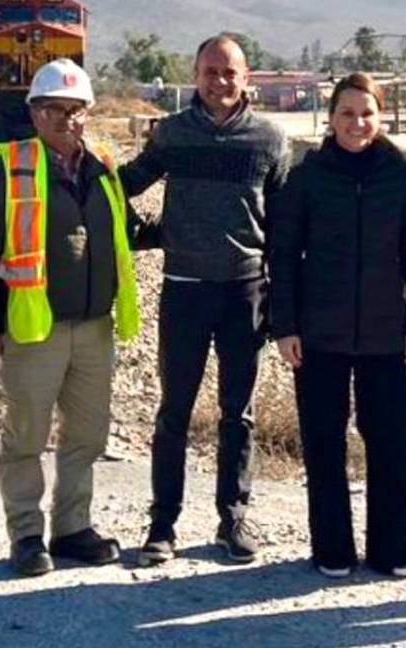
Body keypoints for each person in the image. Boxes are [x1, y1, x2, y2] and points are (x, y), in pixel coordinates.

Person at [0, 59, 150, 577]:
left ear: (88, 112)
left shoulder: (103, 166)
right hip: (33, 326)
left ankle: (71, 528)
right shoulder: (8, 168)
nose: (66, 119)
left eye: (75, 109)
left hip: (94, 326)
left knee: (87, 435)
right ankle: (26, 535)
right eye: (53, 109)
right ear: (34, 112)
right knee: (26, 435)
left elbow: (128, 231)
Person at [120, 35, 289, 565]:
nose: (219, 82)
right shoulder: (171, 135)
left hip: (245, 292)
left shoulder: (270, 140)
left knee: (237, 413)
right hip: (185, 292)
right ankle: (162, 525)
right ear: (195, 75)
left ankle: (232, 519)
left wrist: (283, 299)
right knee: (174, 411)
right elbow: (123, 185)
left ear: (247, 78)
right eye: (210, 72)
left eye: (229, 72)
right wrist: (148, 233)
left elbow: (284, 225)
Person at [270, 73, 406, 579]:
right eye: (346, 113)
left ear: (380, 118)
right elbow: (284, 256)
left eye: (366, 114)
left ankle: (390, 549)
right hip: (319, 335)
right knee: (323, 443)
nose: (357, 123)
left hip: (387, 335)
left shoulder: (401, 177)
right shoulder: (308, 176)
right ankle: (332, 549)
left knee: (391, 442)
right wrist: (285, 325)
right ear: (331, 117)